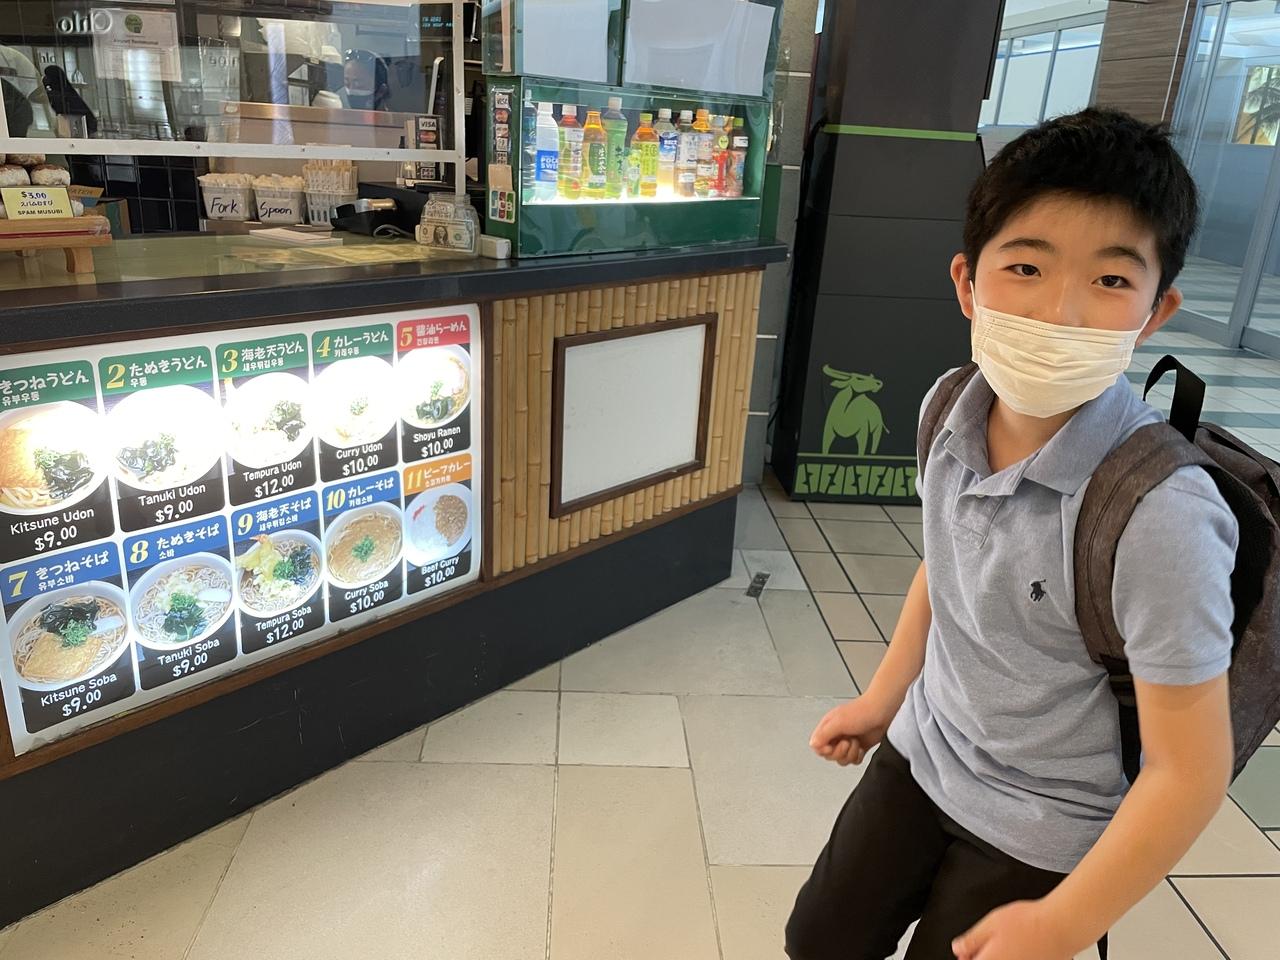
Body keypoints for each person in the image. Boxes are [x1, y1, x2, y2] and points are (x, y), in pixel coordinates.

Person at [786, 108, 1236, 960]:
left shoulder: (1161, 512)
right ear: (968, 283)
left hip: (1046, 819)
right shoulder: (948, 407)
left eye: (1111, 280)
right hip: (927, 750)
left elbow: (1189, 770)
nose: (1061, 311)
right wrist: (882, 701)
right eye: (1026, 266)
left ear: (1156, 310)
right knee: (818, 939)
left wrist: (1064, 922)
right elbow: (947, 568)